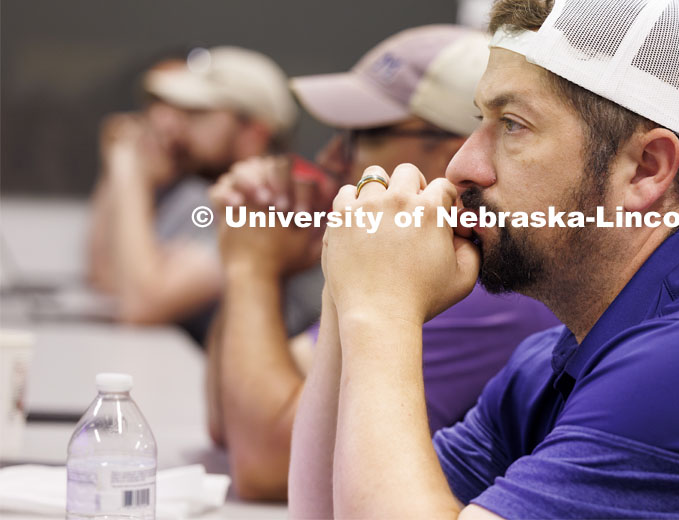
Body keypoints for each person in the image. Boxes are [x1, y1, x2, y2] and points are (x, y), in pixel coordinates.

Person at [289, 0, 679, 519]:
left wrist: (382, 306)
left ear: (645, 169)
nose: (463, 166)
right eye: (479, 121)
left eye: (512, 125)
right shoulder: (551, 364)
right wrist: (352, 290)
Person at [205, 25, 559, 501]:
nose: (331, 156)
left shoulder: (482, 286)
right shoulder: (406, 255)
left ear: (460, 146)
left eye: (364, 135)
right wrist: (255, 262)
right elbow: (228, 418)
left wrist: (251, 269)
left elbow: (265, 463)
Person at [87, 46, 297, 345]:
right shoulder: (196, 195)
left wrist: (129, 172)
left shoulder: (269, 206)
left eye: (196, 113)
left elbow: (141, 305)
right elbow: (106, 278)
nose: (175, 127)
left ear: (254, 133)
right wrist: (120, 170)